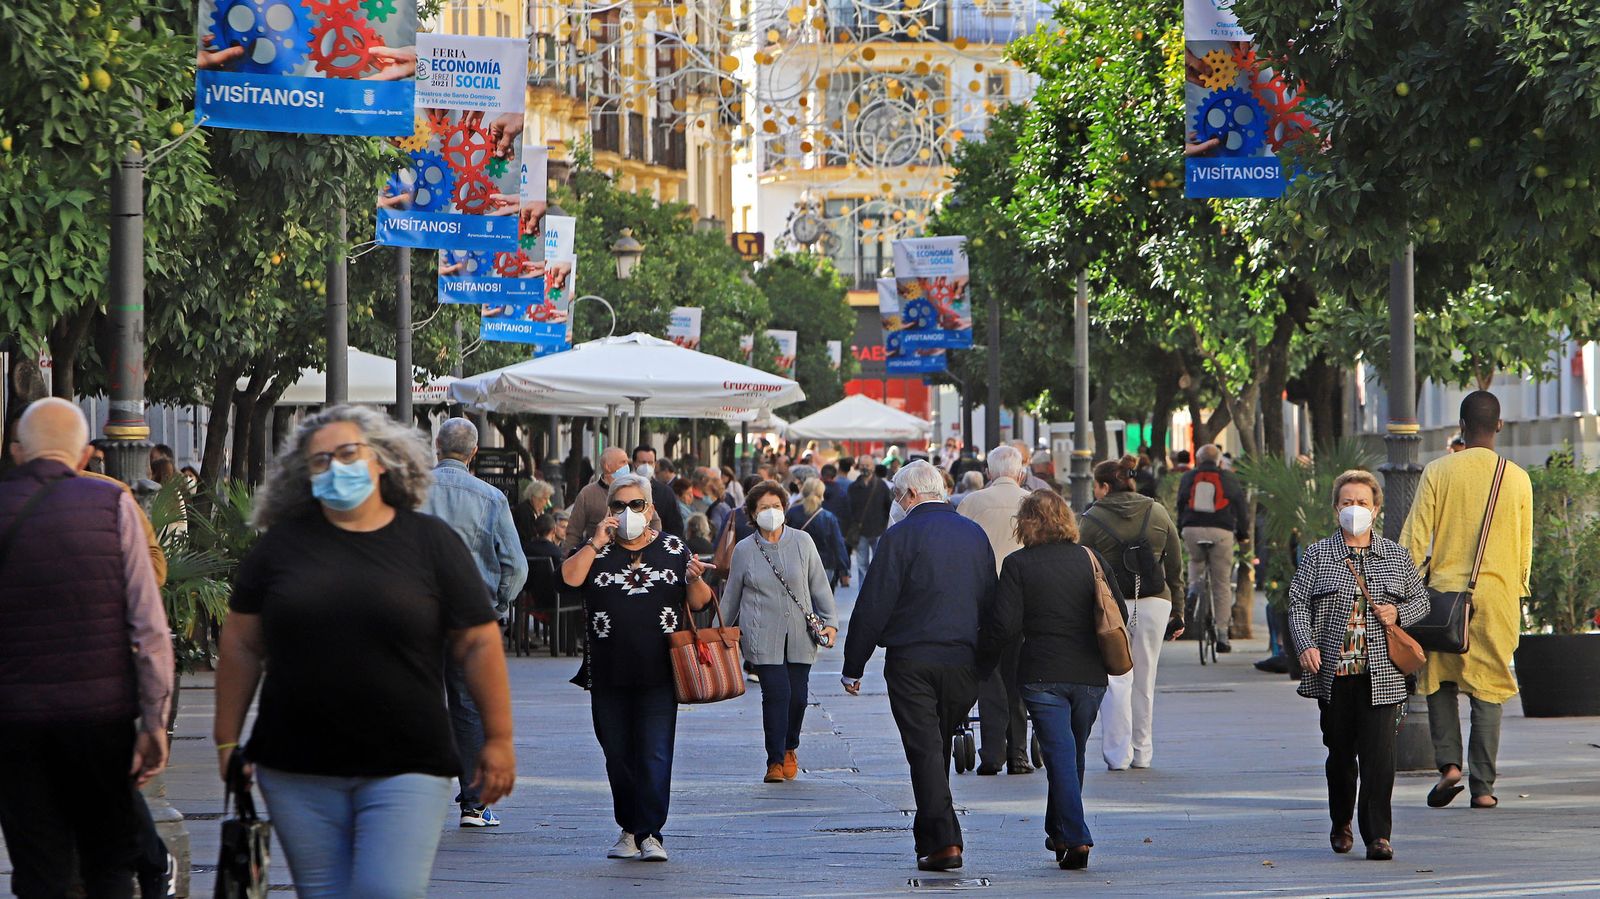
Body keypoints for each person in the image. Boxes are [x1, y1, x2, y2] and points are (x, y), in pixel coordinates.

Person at [213, 406, 515, 895]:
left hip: (408, 763)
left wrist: (498, 738)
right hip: (296, 767)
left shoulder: (431, 543)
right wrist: (226, 739)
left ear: (381, 460)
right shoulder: (280, 547)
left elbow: (479, 641)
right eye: (320, 460)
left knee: (385, 891)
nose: (336, 466)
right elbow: (243, 642)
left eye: (348, 453)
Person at [0, 398, 173, 898]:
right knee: (108, 865)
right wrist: (154, 721)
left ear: (18, 452)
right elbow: (148, 625)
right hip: (100, 720)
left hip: (15, 721)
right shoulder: (113, 503)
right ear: (83, 454)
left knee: (39, 870)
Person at [842, 461, 997, 872]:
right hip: (962, 660)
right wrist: (986, 661)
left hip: (912, 660)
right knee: (935, 747)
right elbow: (990, 601)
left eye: (897, 495)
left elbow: (874, 603)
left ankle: (945, 843)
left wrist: (854, 664)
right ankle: (932, 838)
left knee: (926, 750)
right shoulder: (974, 534)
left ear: (910, 495)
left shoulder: (899, 537)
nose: (896, 503)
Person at [561, 474, 712, 863]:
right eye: (619, 505)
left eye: (636, 504)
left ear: (650, 509)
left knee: (655, 753)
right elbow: (570, 578)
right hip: (607, 672)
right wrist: (596, 541)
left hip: (660, 672)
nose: (627, 512)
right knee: (617, 754)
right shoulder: (595, 550)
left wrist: (694, 578)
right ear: (608, 510)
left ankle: (650, 833)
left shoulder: (674, 549)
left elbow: (699, 602)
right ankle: (629, 827)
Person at [1400, 391, 1533, 811]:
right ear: (1499, 426)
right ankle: (1484, 788)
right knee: (1490, 686)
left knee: (1439, 678)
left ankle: (1449, 766)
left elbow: (1415, 537)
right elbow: (1524, 549)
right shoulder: (1517, 478)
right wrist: (1517, 590)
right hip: (1497, 597)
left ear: (1461, 426)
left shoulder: (1438, 471)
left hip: (1444, 599)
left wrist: (1400, 587)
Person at [978, 489, 1123, 871]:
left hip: (1042, 674)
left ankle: (1076, 837)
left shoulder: (1018, 564)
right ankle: (1058, 829)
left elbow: (1005, 626)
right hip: (1090, 675)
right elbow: (1118, 612)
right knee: (1070, 753)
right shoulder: (1091, 559)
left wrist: (982, 661)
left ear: (1025, 524)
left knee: (1060, 754)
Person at [1291, 470, 1431, 860]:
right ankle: (1341, 822)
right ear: (1336, 508)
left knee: (1379, 757)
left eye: (1363, 503)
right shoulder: (1318, 555)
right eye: (1348, 502)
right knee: (1340, 754)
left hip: (1382, 675)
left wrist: (1398, 612)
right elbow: (1298, 604)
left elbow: (1421, 601)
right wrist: (1306, 644)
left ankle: (1378, 835)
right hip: (1334, 674)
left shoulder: (1395, 555)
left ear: (1376, 509)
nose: (1355, 509)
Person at [419, 418, 528, 828]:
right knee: (467, 706)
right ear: (474, 452)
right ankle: (474, 804)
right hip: (470, 617)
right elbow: (516, 565)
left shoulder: (411, 492)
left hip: (416, 614)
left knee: (418, 701)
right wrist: (497, 604)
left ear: (437, 445)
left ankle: (413, 799)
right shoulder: (491, 497)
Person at [723, 482, 839, 782]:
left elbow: (818, 584)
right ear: (752, 513)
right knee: (777, 694)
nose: (771, 512)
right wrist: (717, 631)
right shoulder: (744, 549)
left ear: (785, 509)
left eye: (776, 506)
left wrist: (830, 621)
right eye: (764, 508)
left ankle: (790, 747)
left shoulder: (803, 542)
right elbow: (731, 595)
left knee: (798, 697)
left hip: (800, 633)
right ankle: (774, 760)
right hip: (761, 634)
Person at [1080, 456, 1185, 771]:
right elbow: (1175, 564)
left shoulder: (1092, 518)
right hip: (1153, 602)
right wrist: (1178, 610)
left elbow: (1081, 564)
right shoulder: (1157, 511)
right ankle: (1143, 752)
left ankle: (1117, 754)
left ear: (1104, 486)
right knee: (1145, 678)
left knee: (1115, 678)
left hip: (1110, 605)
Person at [957, 445, 1034, 776]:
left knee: (988, 674)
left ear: (989, 473)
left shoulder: (972, 503)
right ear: (1020, 472)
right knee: (1017, 675)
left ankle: (992, 752)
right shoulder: (1032, 502)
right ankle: (1018, 753)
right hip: (1025, 601)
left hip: (984, 600)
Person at [1176, 444, 1249, 652]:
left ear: (1198, 460)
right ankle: (1222, 636)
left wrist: (1182, 527)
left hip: (1192, 530)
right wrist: (1242, 534)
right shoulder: (1229, 478)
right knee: (1221, 582)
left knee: (1196, 561)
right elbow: (1240, 508)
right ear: (1219, 461)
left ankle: (1193, 589)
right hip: (1221, 532)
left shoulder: (1188, 477)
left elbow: (1180, 503)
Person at [565, 446, 658, 551]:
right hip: (599, 554)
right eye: (623, 462)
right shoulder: (587, 494)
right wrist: (569, 556)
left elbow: (654, 520)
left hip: (638, 552)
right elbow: (574, 532)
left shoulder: (635, 490)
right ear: (607, 467)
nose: (627, 466)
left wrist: (651, 545)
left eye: (627, 462)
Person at [788, 477, 851, 588]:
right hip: (824, 565)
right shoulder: (828, 517)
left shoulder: (792, 513)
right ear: (821, 494)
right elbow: (837, 544)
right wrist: (844, 568)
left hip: (797, 564)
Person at [847, 454, 892, 579]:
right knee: (862, 565)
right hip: (861, 532)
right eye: (862, 465)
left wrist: (885, 527)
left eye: (868, 465)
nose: (865, 468)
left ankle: (876, 587)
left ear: (873, 466)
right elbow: (849, 509)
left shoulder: (881, 486)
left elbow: (888, 507)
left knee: (879, 564)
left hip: (879, 531)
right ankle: (863, 589)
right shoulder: (853, 487)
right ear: (858, 467)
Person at [633, 445, 685, 539]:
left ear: (655, 464)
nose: (646, 466)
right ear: (634, 463)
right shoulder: (624, 490)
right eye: (643, 462)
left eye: (650, 462)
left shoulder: (665, 492)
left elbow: (676, 526)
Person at [512, 478, 555, 550]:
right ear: (534, 497)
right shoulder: (523, 511)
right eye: (545, 498)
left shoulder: (539, 511)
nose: (547, 503)